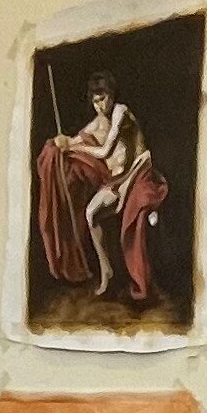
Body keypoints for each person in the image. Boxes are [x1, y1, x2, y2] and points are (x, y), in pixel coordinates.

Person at [32, 66, 167, 308]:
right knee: (90, 214)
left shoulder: (121, 112)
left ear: (112, 95)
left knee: (141, 215)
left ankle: (145, 280)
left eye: (102, 98)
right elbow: (74, 141)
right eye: (95, 101)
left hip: (138, 174)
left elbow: (105, 151)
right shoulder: (95, 124)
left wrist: (74, 147)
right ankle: (107, 271)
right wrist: (61, 144)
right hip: (114, 182)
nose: (100, 105)